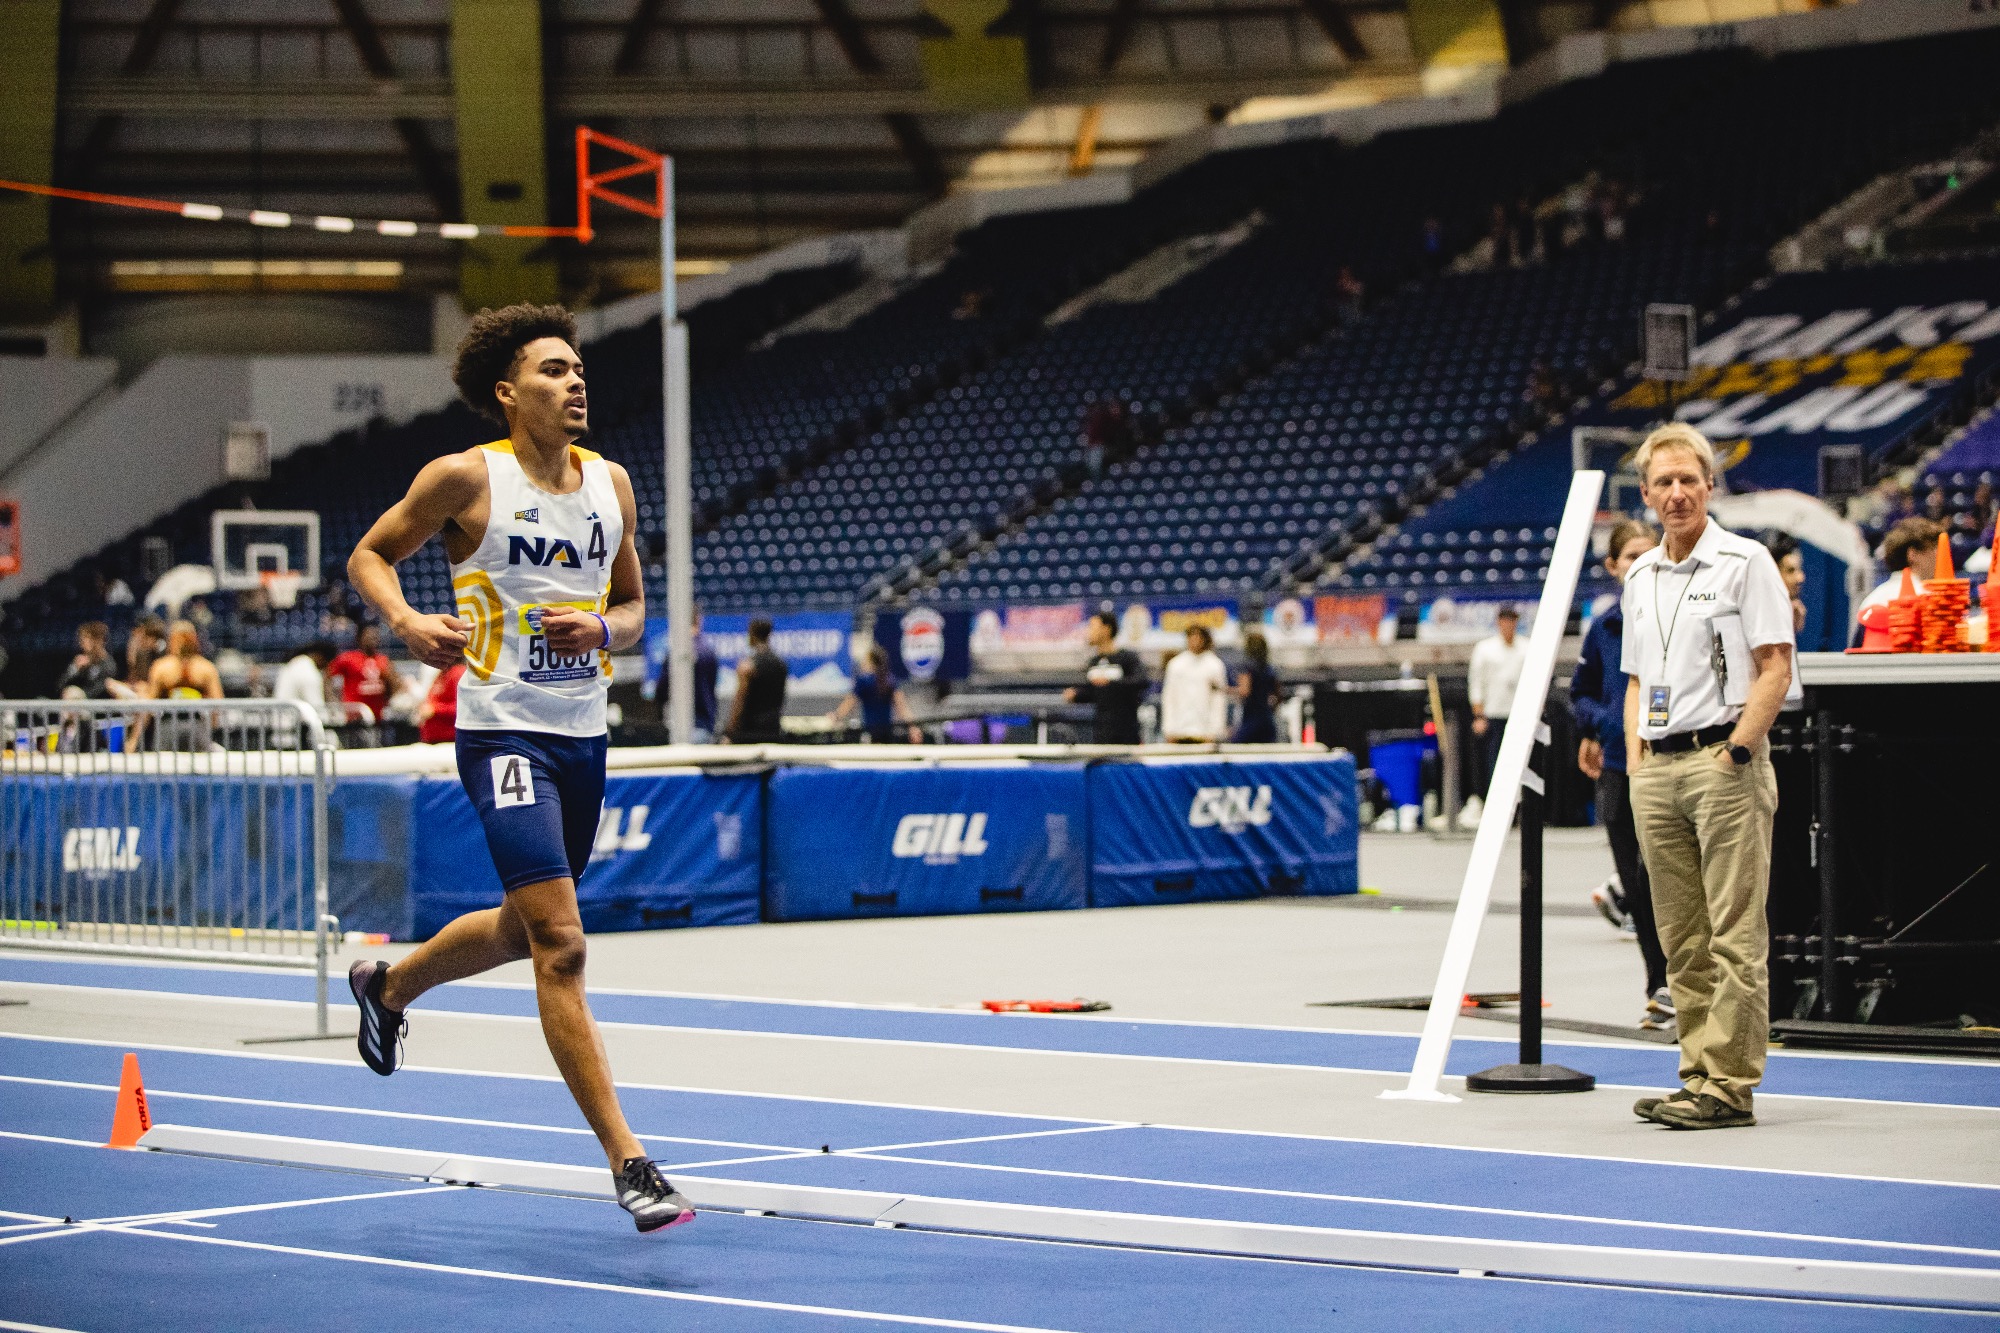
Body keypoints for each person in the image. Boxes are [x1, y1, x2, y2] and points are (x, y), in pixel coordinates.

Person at [342, 302, 693, 1232]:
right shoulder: (466, 477)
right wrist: (410, 622)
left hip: (582, 736)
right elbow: (371, 553)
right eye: (552, 370)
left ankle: (389, 984)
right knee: (564, 943)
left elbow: (632, 609)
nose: (575, 382)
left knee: (521, 927)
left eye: (578, 369)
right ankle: (632, 1162)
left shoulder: (610, 484)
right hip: (502, 735)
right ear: (508, 392)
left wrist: (603, 627)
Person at [1623, 422, 1796, 1131]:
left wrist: (1738, 751)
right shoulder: (1640, 573)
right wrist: (1636, 760)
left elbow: (1776, 666)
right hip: (1658, 767)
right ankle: (1696, 1071)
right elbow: (1638, 677)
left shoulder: (1744, 561)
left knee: (1734, 934)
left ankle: (1729, 1083)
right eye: (1663, 482)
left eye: (1688, 479)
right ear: (1646, 494)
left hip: (1722, 761)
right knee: (1682, 941)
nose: (1676, 493)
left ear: (1710, 485)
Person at [1571, 520, 1671, 1030]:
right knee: (1635, 883)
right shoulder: (1604, 628)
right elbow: (1581, 692)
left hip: (1669, 763)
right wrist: (1601, 723)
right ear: (1613, 567)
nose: (1638, 563)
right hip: (1616, 767)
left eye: (1645, 553)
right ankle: (1658, 985)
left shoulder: (1673, 615)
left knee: (1670, 879)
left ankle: (1688, 982)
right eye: (1628, 556)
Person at [1467, 606, 1526, 796]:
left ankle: (1520, 805)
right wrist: (1479, 715)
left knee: (1521, 761)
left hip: (1519, 715)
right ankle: (1497, 799)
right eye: (1505, 620)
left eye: (1512, 620)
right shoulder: (1485, 649)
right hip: (1494, 714)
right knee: (1496, 761)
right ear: (1499, 622)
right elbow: (1476, 682)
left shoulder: (1526, 647)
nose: (1509, 625)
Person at [1065, 610, 1146, 744]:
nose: (1088, 632)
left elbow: (1141, 681)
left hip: (1127, 734)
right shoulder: (1093, 662)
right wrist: (1076, 695)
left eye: (1092, 627)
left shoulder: (1127, 658)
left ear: (1106, 629)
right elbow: (1093, 692)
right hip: (1102, 733)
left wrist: (1110, 682)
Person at [829, 645, 918, 743]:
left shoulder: (865, 681)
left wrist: (836, 716)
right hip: (887, 732)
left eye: (864, 660)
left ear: (870, 662)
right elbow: (902, 707)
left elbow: (849, 703)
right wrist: (912, 727)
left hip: (870, 732)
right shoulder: (890, 680)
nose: (862, 664)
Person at [1159, 624, 1228, 743]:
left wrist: (1215, 730)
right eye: (1191, 636)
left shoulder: (1215, 666)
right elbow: (1169, 698)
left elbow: (1219, 700)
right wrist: (1169, 729)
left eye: (1198, 637)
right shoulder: (1176, 665)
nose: (1194, 640)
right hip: (1179, 730)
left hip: (1205, 732)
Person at [725, 617, 789, 744]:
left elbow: (740, 701)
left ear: (752, 634)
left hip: (749, 732)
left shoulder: (747, 667)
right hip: (773, 729)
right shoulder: (781, 664)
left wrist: (730, 731)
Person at [326, 624, 400, 726]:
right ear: (360, 638)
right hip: (354, 716)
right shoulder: (348, 658)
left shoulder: (383, 660)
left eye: (375, 636)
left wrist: (389, 683)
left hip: (378, 716)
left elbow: (395, 684)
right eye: (369, 636)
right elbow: (328, 676)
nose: (373, 639)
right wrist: (333, 702)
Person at [1229, 630, 1280, 744]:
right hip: (1267, 719)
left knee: (1234, 747)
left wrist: (1222, 689)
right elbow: (1277, 694)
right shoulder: (1269, 669)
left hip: (1251, 718)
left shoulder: (1246, 667)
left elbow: (1244, 691)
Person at [59, 622, 123, 699]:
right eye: (81, 639)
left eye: (87, 638)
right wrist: (74, 669)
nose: (82, 643)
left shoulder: (109, 665)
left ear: (99, 640)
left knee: (73, 695)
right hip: (74, 705)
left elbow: (100, 692)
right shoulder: (80, 662)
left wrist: (79, 695)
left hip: (97, 707)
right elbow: (60, 687)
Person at [417, 661, 466, 744]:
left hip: (449, 740)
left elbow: (464, 709)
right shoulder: (442, 673)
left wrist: (435, 710)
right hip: (434, 740)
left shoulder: (458, 673)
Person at [1768, 535, 1807, 635]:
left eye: (1799, 569)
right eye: (1790, 571)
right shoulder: (1765, 618)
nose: (1800, 578)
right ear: (1774, 573)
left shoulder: (1793, 612)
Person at [691, 607, 719, 743]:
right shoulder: (708, 652)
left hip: (685, 724)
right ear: (699, 620)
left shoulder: (676, 653)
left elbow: (662, 691)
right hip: (705, 722)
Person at [124, 616, 166, 692]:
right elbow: (137, 679)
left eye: (145, 637)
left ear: (153, 638)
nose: (142, 641)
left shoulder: (166, 654)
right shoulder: (142, 654)